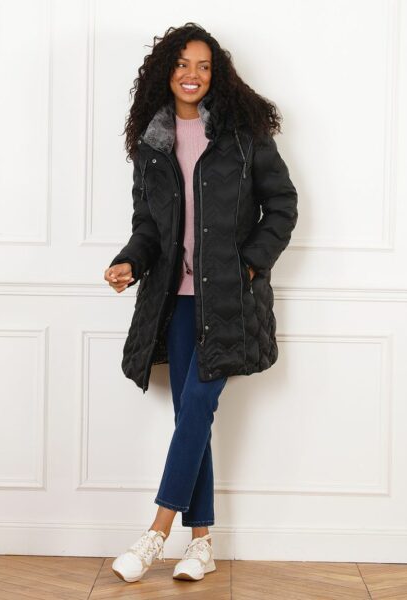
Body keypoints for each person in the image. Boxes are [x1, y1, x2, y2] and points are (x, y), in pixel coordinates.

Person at [104, 22, 298, 583]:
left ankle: (155, 534)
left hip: (228, 300)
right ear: (165, 71)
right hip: (176, 301)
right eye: (183, 64)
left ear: (217, 75)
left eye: (204, 66)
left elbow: (282, 205)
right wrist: (130, 261)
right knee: (191, 415)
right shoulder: (152, 144)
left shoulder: (243, 135)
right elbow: (148, 225)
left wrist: (248, 265)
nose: (193, 75)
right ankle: (203, 544)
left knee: (197, 407)